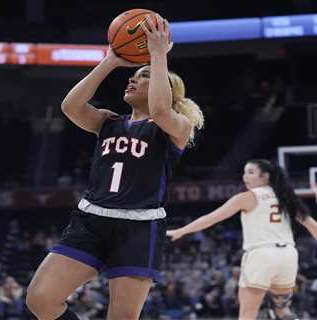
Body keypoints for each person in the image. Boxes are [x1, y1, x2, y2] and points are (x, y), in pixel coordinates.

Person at [26, 14, 204, 320]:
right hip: (91, 220)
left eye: (144, 75)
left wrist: (158, 54)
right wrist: (110, 60)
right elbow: (70, 107)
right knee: (40, 300)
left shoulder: (176, 126)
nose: (133, 78)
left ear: (165, 88)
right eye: (134, 74)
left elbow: (161, 109)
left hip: (139, 227)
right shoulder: (108, 122)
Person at [167, 159, 317, 320]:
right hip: (288, 255)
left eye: (251, 172)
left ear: (265, 176)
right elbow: (312, 226)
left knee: (247, 315)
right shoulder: (287, 198)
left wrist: (181, 231)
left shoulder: (248, 197)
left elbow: (211, 218)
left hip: (261, 254)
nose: (245, 176)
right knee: (283, 312)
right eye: (245, 172)